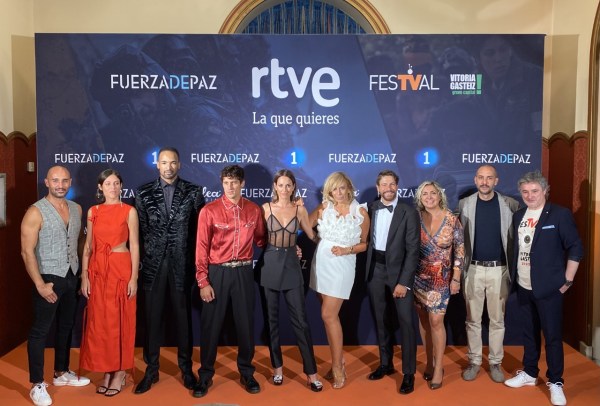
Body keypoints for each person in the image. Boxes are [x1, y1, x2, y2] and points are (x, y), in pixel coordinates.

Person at [504, 171, 583, 406]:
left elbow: (575, 247)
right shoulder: (519, 215)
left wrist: (568, 280)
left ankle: (556, 381)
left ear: (545, 191)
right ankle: (530, 373)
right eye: (525, 192)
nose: (530, 196)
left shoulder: (559, 214)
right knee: (529, 333)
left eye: (535, 191)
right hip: (523, 285)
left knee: (552, 337)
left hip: (550, 288)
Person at [134, 147, 204, 394]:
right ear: (157, 165)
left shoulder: (194, 191)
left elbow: (199, 232)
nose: (168, 167)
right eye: (164, 162)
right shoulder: (143, 193)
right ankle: (151, 370)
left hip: (181, 265)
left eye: (173, 162)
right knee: (152, 320)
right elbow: (141, 231)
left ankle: (186, 370)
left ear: (179, 164)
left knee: (183, 321)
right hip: (152, 266)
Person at [194, 165, 267, 398]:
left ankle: (247, 372)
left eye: (234, 182)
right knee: (210, 326)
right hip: (217, 273)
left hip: (244, 272)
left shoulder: (254, 210)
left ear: (242, 183)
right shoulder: (209, 211)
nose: (230, 187)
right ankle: (205, 375)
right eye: (226, 182)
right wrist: (203, 281)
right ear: (222, 183)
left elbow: (262, 240)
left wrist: (288, 247)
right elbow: (201, 247)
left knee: (245, 325)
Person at [20, 166, 91, 406]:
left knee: (66, 326)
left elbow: (79, 241)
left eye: (64, 181)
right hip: (48, 278)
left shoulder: (76, 208)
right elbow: (26, 252)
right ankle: (37, 384)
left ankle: (61, 372)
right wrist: (39, 284)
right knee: (40, 331)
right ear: (47, 182)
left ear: (70, 182)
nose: (60, 185)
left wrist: (81, 273)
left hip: (71, 276)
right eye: (55, 180)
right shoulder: (35, 212)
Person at [259, 169, 323, 392]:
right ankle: (277, 369)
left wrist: (335, 244)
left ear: (294, 187)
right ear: (275, 187)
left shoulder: (300, 209)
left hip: (292, 268)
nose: (284, 189)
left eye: (288, 185)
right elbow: (258, 238)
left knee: (301, 322)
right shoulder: (265, 209)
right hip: (269, 265)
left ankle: (312, 373)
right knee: (271, 321)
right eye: (281, 185)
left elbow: (312, 236)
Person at [79, 169, 139, 396]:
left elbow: (134, 245)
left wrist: (134, 277)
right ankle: (107, 370)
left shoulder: (129, 211)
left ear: (121, 186)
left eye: (116, 183)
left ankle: (120, 371)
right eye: (108, 184)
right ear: (100, 187)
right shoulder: (93, 211)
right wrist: (85, 276)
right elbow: (88, 246)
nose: (112, 188)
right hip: (98, 271)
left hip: (120, 268)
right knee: (101, 323)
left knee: (120, 321)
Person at [458, 165, 520, 383]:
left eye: (489, 178)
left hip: (499, 270)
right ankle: (474, 361)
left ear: (496, 181)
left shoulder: (510, 204)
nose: (485, 182)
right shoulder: (464, 204)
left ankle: (495, 362)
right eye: (481, 178)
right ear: (475, 180)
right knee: (472, 320)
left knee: (497, 320)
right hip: (472, 269)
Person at [309, 172, 370, 389]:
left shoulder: (360, 212)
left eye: (342, 188)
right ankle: (339, 360)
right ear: (329, 191)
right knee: (329, 317)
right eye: (334, 189)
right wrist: (317, 239)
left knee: (328, 314)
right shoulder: (325, 207)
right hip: (321, 264)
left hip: (343, 266)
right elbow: (307, 226)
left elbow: (364, 244)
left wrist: (346, 250)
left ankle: (337, 366)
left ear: (349, 188)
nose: (339, 192)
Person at [364, 170, 420, 394]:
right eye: (384, 184)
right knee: (381, 320)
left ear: (397, 186)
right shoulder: (370, 209)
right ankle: (385, 363)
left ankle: (408, 373)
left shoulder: (409, 212)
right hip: (375, 270)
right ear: (378, 188)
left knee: (406, 323)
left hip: (399, 273)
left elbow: (413, 250)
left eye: (392, 184)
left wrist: (404, 282)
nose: (388, 188)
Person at [413, 181, 465, 390]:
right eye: (424, 194)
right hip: (418, 277)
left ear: (439, 195)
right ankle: (429, 361)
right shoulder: (416, 218)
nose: (429, 197)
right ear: (420, 198)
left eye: (432, 193)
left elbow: (460, 250)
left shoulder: (452, 219)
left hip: (442, 279)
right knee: (424, 320)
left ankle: (439, 368)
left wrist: (456, 278)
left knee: (436, 321)